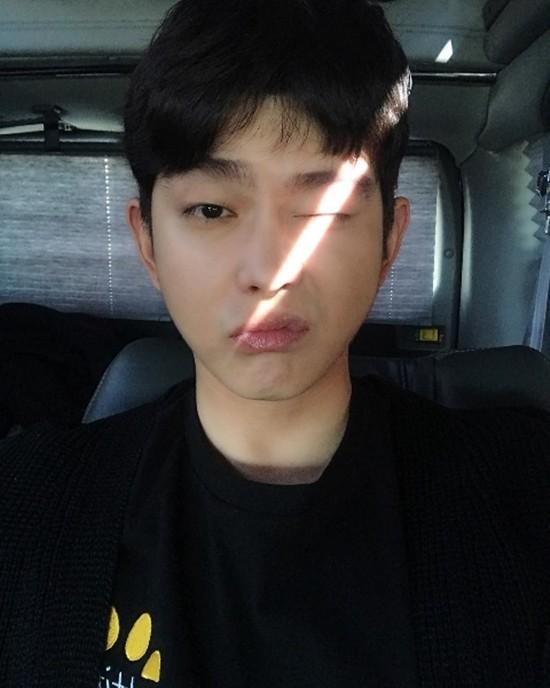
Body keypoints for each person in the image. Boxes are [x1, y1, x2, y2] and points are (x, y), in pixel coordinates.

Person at [1, 0, 549, 686]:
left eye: (323, 209)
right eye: (211, 209)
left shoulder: (523, 499)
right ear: (148, 243)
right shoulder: (27, 506)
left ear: (389, 240)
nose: (270, 271)